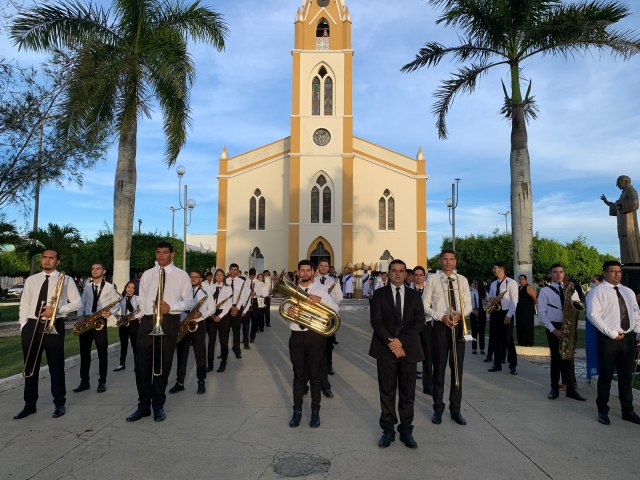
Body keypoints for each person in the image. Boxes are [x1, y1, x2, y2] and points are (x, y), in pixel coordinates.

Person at [126, 242, 192, 423]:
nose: (161, 255)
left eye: (165, 252)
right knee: (142, 365)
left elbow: (188, 301)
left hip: (169, 320)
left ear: (172, 255)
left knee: (162, 366)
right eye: (158, 252)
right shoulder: (148, 274)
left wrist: (171, 307)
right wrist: (147, 312)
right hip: (148, 321)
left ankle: (158, 405)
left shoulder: (181, 275)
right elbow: (144, 299)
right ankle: (143, 406)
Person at [15, 248, 82, 419]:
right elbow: (24, 303)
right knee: (30, 367)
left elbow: (77, 303)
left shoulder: (65, 280)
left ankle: (59, 403)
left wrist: (57, 309)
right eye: (44, 257)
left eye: (51, 258)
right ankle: (29, 405)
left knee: (56, 367)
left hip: (54, 326)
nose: (47, 260)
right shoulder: (31, 280)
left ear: (57, 261)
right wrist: (23, 325)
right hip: (32, 325)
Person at [370, 259, 425, 448]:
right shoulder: (378, 294)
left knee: (408, 393)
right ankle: (387, 431)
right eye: (394, 271)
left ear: (405, 273)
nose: (398, 274)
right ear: (389, 272)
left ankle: (406, 430)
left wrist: (401, 342)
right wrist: (392, 343)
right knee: (387, 392)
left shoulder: (414, 295)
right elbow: (376, 322)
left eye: (401, 271)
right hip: (385, 350)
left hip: (409, 350)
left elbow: (419, 322)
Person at [586, 260, 640, 425]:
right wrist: (611, 333)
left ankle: (627, 411)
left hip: (628, 339)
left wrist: (638, 332)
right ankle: (603, 410)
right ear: (604, 273)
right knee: (606, 376)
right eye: (613, 271)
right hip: (609, 340)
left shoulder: (628, 291)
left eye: (619, 271)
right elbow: (593, 315)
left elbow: (635, 313)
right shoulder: (598, 292)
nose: (617, 274)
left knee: (626, 377)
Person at [287, 260, 339, 429]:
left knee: (315, 377)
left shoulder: (321, 289)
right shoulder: (293, 289)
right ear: (298, 272)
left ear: (313, 272)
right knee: (298, 376)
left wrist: (320, 300)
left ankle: (315, 411)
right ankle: (297, 411)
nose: (305, 273)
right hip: (296, 336)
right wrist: (289, 310)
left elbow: (335, 310)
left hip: (315, 336)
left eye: (308, 270)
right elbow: (286, 305)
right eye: (302, 270)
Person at [423, 250, 472, 426]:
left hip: (458, 327)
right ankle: (438, 408)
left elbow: (468, 305)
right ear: (440, 261)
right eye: (445, 259)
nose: (448, 262)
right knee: (440, 369)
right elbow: (424, 305)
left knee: (457, 370)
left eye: (451, 259)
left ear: (455, 261)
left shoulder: (462, 280)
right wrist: (440, 316)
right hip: (440, 328)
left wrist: (459, 315)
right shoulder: (433, 280)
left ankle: (456, 409)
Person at [537, 264, 587, 401]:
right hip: (554, 327)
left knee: (569, 359)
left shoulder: (571, 289)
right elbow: (541, 311)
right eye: (555, 272)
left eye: (561, 272)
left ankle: (571, 389)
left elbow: (577, 305)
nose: (558, 274)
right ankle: (554, 389)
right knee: (556, 359)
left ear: (564, 274)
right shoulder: (545, 291)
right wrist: (552, 329)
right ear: (550, 274)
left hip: (569, 326)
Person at [73, 263, 120, 394]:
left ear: (104, 271)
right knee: (84, 353)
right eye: (93, 268)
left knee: (102, 353)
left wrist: (110, 312)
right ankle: (84, 382)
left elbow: (116, 303)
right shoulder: (87, 287)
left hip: (100, 321)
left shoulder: (110, 287)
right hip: (87, 321)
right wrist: (80, 316)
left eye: (98, 269)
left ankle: (102, 382)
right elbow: (82, 303)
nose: (94, 271)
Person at [170, 270, 212, 395]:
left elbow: (212, 308)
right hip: (183, 325)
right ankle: (180, 382)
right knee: (181, 355)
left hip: (198, 324)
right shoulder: (182, 291)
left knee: (200, 354)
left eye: (196, 277)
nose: (193, 279)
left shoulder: (206, 292)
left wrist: (202, 313)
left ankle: (201, 382)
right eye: (191, 277)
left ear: (200, 279)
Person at [486, 262, 518, 375]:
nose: (493, 270)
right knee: (495, 339)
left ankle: (513, 364)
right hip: (495, 312)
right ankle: (497, 363)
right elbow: (489, 295)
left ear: (501, 269)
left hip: (506, 312)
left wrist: (509, 315)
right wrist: (490, 299)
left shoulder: (511, 282)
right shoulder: (494, 283)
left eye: (495, 268)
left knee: (508, 339)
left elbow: (514, 300)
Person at [314, 258, 343, 379]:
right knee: (315, 342)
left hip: (329, 316)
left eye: (326, 266)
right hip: (315, 315)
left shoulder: (333, 281)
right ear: (318, 267)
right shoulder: (313, 280)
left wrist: (330, 305)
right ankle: (315, 365)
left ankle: (328, 364)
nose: (324, 268)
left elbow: (339, 297)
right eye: (322, 266)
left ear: (328, 267)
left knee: (328, 343)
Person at [601, 175, 640, 264]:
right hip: (622, 223)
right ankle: (628, 262)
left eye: (618, 182)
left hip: (629, 224)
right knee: (624, 242)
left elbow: (635, 203)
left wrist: (619, 203)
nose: (616, 185)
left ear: (626, 182)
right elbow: (617, 207)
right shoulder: (623, 193)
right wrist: (607, 202)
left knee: (630, 241)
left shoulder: (631, 191)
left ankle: (633, 262)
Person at [204, 269, 232, 372]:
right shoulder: (209, 288)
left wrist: (220, 316)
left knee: (223, 340)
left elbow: (228, 304)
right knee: (211, 341)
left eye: (221, 275)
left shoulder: (227, 288)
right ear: (214, 277)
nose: (219, 277)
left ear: (224, 276)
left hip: (223, 315)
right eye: (217, 275)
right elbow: (206, 302)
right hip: (211, 314)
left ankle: (223, 362)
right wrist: (211, 315)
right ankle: (210, 363)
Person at [413, 266, 432, 395]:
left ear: (424, 276)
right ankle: (410, 383)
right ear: (413, 276)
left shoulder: (430, 290)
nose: (419, 277)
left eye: (421, 275)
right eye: (416, 275)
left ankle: (427, 385)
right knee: (413, 355)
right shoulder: (408, 290)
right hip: (413, 327)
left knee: (428, 356)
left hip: (427, 326)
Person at [114, 281, 140, 372]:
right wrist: (117, 316)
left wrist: (134, 317)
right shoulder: (121, 299)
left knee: (135, 344)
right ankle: (122, 364)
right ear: (125, 288)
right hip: (123, 322)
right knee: (123, 344)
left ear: (135, 290)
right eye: (129, 287)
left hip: (134, 322)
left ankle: (137, 365)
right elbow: (114, 309)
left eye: (133, 288)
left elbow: (143, 311)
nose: (130, 289)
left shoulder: (138, 298)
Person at [225, 263, 246, 359]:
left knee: (236, 331)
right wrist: (229, 307)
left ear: (238, 271)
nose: (233, 271)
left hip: (237, 308)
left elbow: (243, 296)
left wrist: (237, 308)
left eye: (235, 269)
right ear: (229, 270)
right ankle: (223, 351)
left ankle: (237, 349)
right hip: (226, 309)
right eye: (231, 269)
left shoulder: (242, 282)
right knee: (225, 331)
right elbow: (223, 296)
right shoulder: (225, 281)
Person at [585, 274, 604, 380]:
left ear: (599, 281)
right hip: (591, 324)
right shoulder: (590, 293)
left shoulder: (601, 292)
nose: (591, 283)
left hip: (599, 323)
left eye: (593, 281)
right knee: (593, 347)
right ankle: (593, 370)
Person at [515, 274, 537, 346]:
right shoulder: (518, 288)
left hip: (527, 311)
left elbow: (534, 299)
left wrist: (532, 306)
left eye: (522, 279)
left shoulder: (529, 287)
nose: (521, 280)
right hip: (519, 310)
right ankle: (521, 342)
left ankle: (529, 343)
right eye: (520, 279)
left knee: (527, 326)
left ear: (526, 280)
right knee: (520, 325)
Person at [470, 279, 487, 355]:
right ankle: (474, 348)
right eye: (474, 283)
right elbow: (468, 304)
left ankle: (482, 348)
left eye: (476, 283)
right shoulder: (470, 293)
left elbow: (487, 302)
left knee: (482, 331)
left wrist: (486, 304)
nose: (474, 285)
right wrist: (473, 311)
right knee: (474, 331)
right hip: (473, 312)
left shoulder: (484, 293)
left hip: (482, 313)